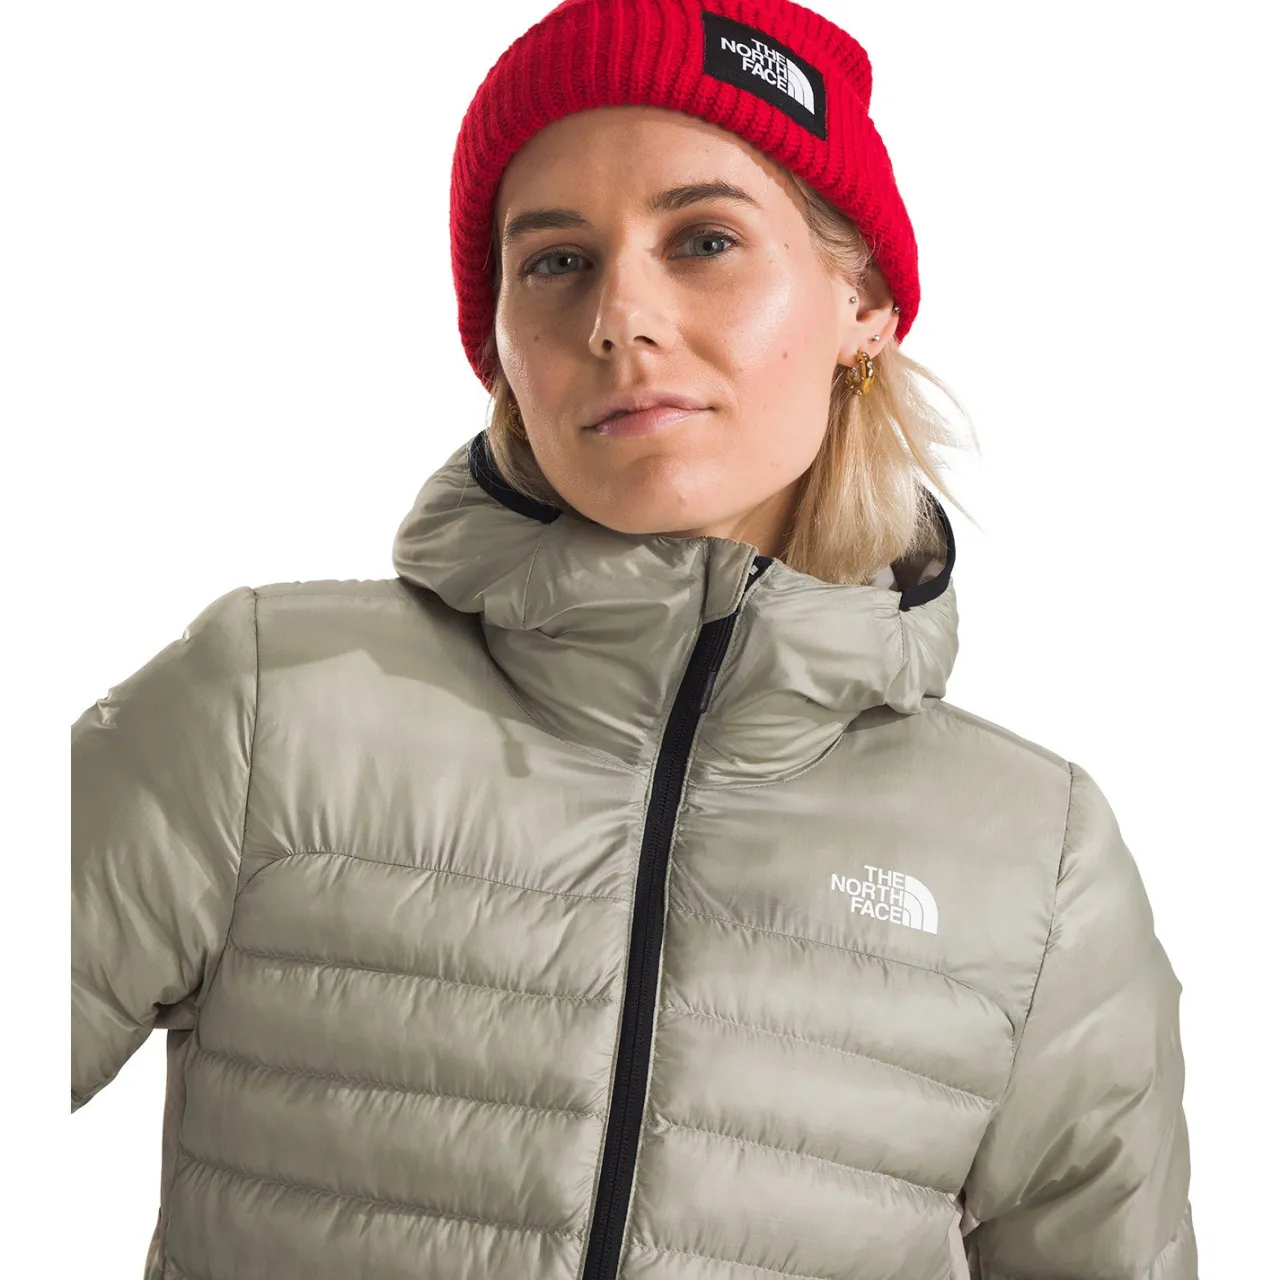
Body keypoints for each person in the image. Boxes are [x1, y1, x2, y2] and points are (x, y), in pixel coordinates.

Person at [70, 1, 1197, 1277]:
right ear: (499, 345)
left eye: (704, 240)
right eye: (556, 260)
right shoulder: (270, 706)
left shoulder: (1036, 860)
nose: (618, 316)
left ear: (863, 302)